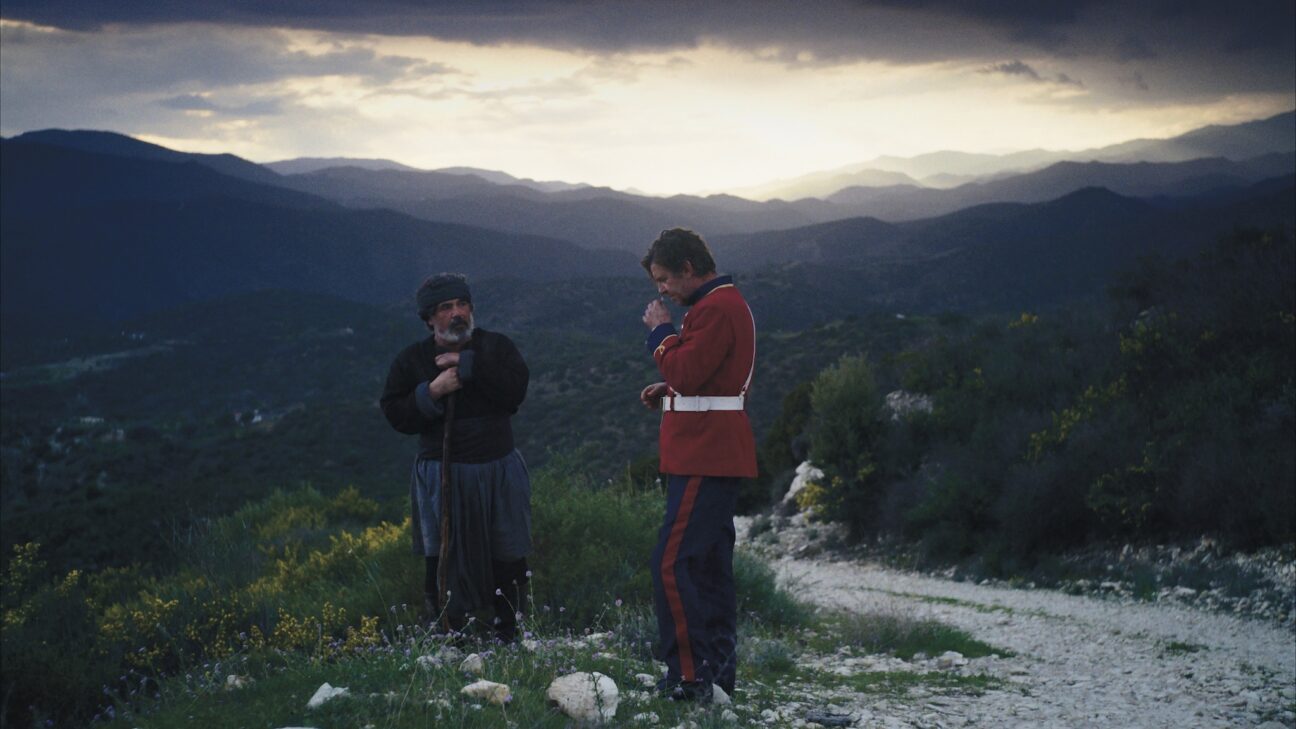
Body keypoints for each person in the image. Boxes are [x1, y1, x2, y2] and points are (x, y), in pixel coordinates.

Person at [638, 228, 757, 701]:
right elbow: (711, 375)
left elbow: (687, 371)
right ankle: (717, 676)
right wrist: (670, 390)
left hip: (705, 454)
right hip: (715, 450)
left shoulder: (715, 308)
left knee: (672, 562)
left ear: (688, 268)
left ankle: (689, 678)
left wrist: (660, 333)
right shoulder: (721, 304)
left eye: (665, 279)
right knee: (708, 568)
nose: (662, 290)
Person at [380, 273, 532, 641]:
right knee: (443, 550)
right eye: (446, 307)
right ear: (429, 319)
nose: (457, 313)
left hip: (497, 468)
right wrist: (431, 391)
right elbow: (395, 413)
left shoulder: (497, 348)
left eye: (462, 304)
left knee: (507, 548)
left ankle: (509, 630)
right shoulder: (411, 360)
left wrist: (469, 365)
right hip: (442, 472)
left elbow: (515, 392)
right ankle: (449, 632)